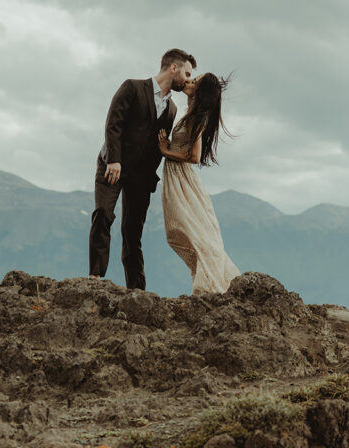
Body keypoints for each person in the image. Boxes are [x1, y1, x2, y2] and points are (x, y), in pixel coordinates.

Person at [89, 48, 196, 289]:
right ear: (173, 68)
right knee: (103, 215)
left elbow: (157, 145)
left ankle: (137, 290)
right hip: (111, 165)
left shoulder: (172, 110)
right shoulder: (132, 87)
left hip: (140, 177)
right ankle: (95, 278)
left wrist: (150, 179)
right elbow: (113, 124)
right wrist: (114, 160)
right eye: (187, 74)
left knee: (133, 234)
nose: (188, 80)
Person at [159, 73, 240, 294]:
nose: (189, 81)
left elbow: (194, 157)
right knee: (180, 231)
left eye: (195, 81)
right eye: (191, 78)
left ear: (201, 91)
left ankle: (208, 285)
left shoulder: (197, 119)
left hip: (182, 177)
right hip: (175, 177)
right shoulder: (191, 114)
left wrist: (166, 151)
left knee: (190, 231)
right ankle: (203, 278)